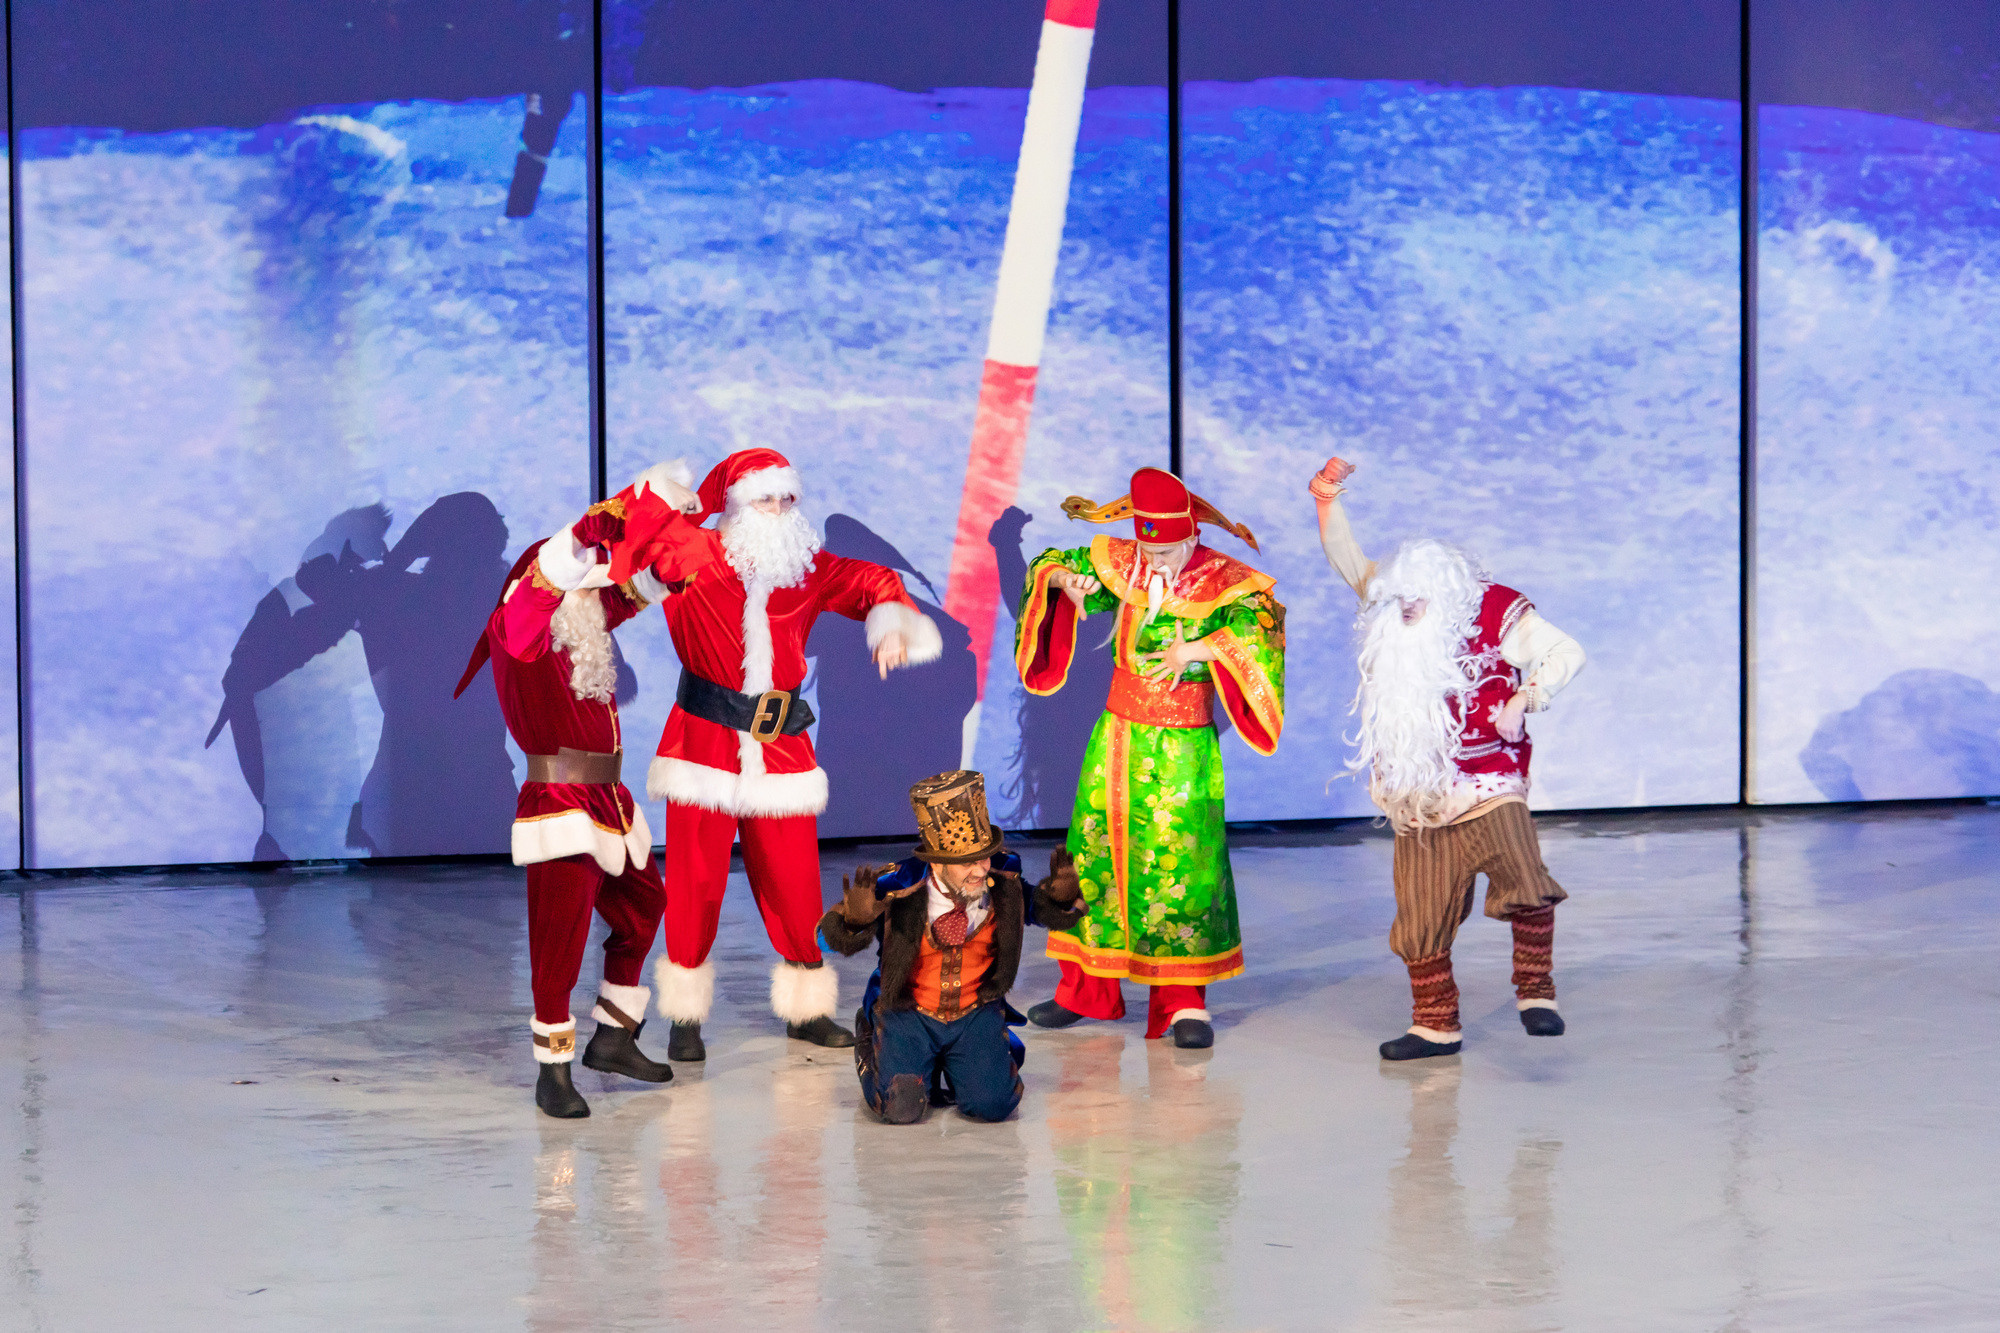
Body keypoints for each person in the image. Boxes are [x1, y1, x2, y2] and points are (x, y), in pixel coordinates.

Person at [605, 449, 943, 1059]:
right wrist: (666, 492)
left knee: (792, 878)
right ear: (735, 503)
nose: (780, 510)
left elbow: (871, 580)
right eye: (767, 498)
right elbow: (631, 537)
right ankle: (684, 1018)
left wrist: (891, 620)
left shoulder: (804, 567)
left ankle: (807, 1009)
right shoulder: (692, 552)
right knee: (694, 881)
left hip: (781, 743)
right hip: (703, 741)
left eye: (789, 499)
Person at [1310, 456, 1587, 1060]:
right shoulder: (1389, 610)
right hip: (1419, 793)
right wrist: (1327, 502)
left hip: (1488, 782)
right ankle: (1435, 1024)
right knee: (1421, 916)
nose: (1406, 611)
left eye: (1418, 602)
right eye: (1399, 601)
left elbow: (1565, 651)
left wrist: (1525, 697)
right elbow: (1349, 561)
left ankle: (1535, 991)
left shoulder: (1494, 610)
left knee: (1525, 877)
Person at [1013, 467, 1285, 1048]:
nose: (1153, 560)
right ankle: (1085, 990)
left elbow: (1258, 626)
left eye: (1164, 549)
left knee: (1182, 865)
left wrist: (1202, 646)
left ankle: (1184, 1002)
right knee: (1094, 856)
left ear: (1189, 536)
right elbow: (1051, 563)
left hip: (1183, 743)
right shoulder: (1130, 560)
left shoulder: (1227, 580)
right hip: (1115, 736)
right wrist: (1067, 581)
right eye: (1146, 547)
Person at [454, 485, 680, 1117]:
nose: (591, 596)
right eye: (576, 583)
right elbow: (534, 600)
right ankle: (551, 1069)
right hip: (559, 802)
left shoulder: (576, 625)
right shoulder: (519, 634)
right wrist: (575, 543)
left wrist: (663, 569)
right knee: (561, 935)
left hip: (609, 798)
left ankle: (613, 1034)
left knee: (644, 904)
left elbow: (618, 600)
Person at [819, 770, 1085, 1124]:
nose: (980, 869)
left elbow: (1040, 908)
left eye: (985, 856)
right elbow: (826, 939)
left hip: (973, 1011)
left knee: (993, 1107)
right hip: (910, 1012)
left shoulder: (1002, 884)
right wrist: (853, 920)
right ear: (937, 862)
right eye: (968, 862)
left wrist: (1061, 898)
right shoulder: (899, 888)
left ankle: (958, 1067)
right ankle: (875, 1038)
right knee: (901, 1109)